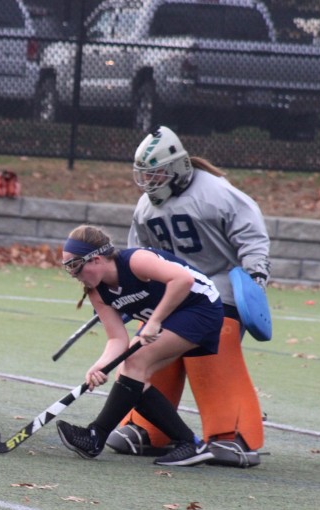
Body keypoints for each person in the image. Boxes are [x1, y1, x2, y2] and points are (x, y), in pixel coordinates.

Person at [105, 126, 269, 467]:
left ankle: (232, 433)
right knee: (147, 348)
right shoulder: (146, 207)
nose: (150, 180)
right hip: (174, 291)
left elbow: (250, 233)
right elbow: (137, 254)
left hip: (219, 286)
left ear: (178, 167)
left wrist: (254, 274)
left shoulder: (217, 193)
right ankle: (149, 427)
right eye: (145, 174)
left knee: (212, 343)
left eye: (157, 172)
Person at [55, 225, 223, 467]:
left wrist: (153, 321)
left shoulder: (136, 261)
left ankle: (96, 436)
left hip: (200, 307)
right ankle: (190, 444)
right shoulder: (98, 293)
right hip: (170, 316)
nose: (74, 274)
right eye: (69, 267)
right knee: (130, 375)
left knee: (135, 363)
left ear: (97, 259)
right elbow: (117, 339)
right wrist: (101, 364)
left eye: (76, 265)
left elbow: (182, 279)